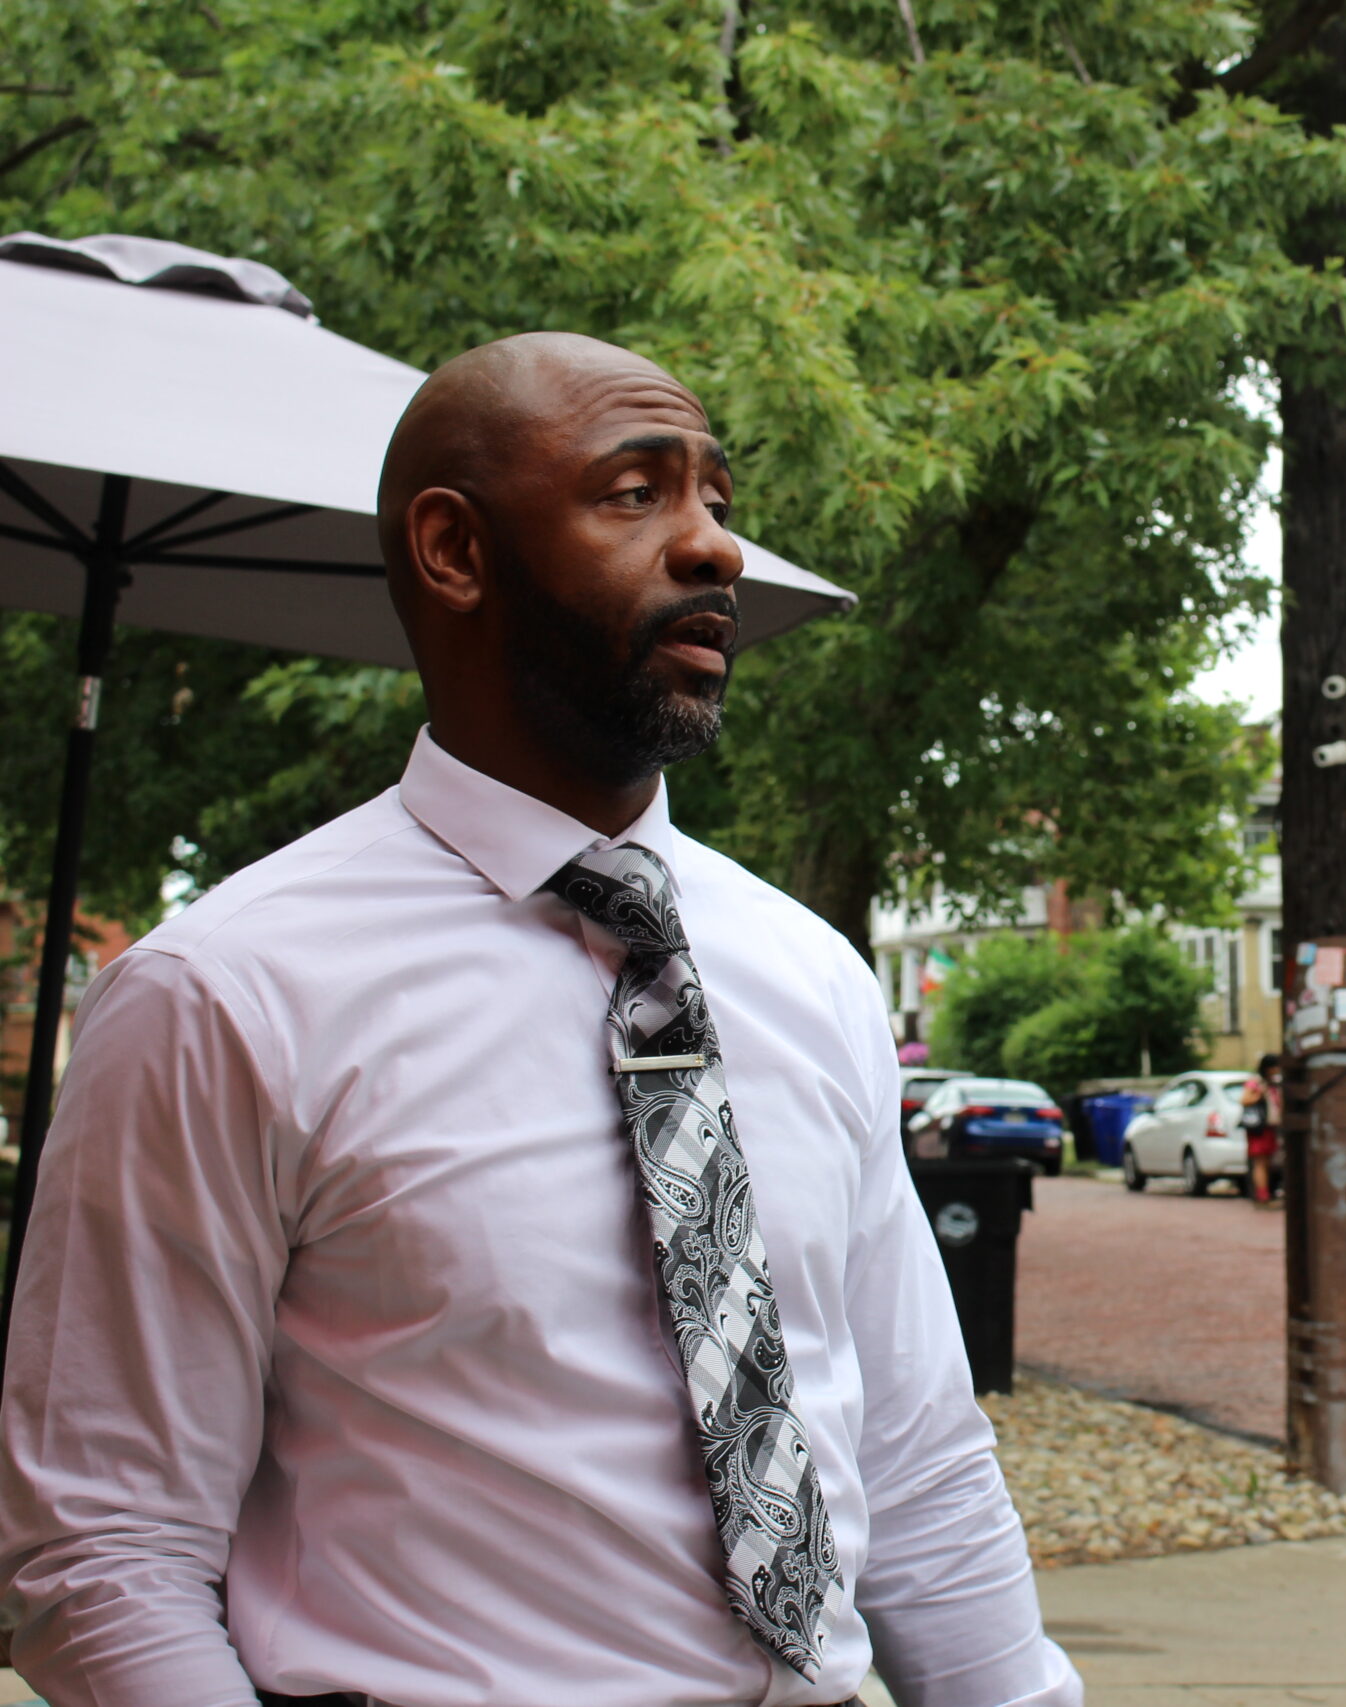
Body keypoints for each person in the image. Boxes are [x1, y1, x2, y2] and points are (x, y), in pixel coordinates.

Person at [0, 333, 1081, 1707]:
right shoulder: (224, 994)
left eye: (720, 500)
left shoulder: (811, 974)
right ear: (455, 550)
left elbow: (920, 1453)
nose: (715, 549)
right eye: (636, 493)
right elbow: (101, 1545)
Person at [1240, 1051, 1283, 1205]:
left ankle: (1267, 1191)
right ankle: (1262, 1194)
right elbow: (1244, 1100)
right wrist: (1260, 1093)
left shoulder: (1275, 1082)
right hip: (1258, 1126)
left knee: (1269, 1161)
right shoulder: (1256, 1083)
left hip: (1271, 1125)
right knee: (1260, 1161)